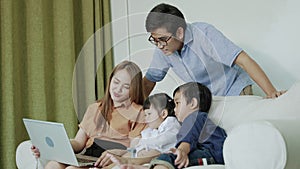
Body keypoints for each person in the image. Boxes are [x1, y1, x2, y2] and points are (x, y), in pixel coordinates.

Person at [142, 3, 285, 98]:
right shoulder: (164, 48)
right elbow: (149, 81)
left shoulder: (204, 34)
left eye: (162, 39)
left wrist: (272, 93)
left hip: (233, 88)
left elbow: (244, 61)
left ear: (179, 32)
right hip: (210, 100)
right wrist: (132, 109)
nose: (159, 45)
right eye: (154, 40)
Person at [31, 60, 147, 169]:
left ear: (134, 89)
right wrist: (57, 147)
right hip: (89, 154)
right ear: (110, 80)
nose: (118, 89)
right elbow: (78, 143)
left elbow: (134, 150)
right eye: (116, 82)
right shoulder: (95, 108)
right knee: (53, 165)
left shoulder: (139, 113)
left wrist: (119, 154)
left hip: (111, 157)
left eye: (126, 87)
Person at [110, 82, 227, 169]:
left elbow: (190, 137)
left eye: (177, 103)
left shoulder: (196, 117)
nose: (175, 109)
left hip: (211, 154)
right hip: (202, 152)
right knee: (166, 157)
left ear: (192, 103)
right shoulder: (188, 122)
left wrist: (182, 150)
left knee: (169, 158)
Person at [104, 93, 181, 167]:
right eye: (145, 115)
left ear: (163, 114)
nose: (146, 118)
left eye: (149, 114)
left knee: (150, 153)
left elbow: (163, 140)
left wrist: (142, 143)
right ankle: (107, 166)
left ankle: (126, 162)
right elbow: (142, 138)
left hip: (164, 153)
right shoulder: (153, 129)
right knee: (127, 154)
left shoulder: (171, 123)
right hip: (150, 151)